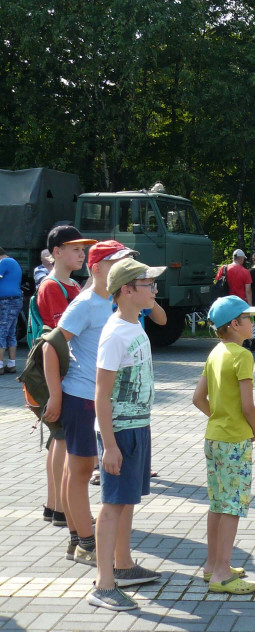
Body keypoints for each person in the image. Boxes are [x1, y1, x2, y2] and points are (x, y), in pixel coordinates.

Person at [46, 241, 138, 566]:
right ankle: (84, 541)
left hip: (101, 400)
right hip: (81, 399)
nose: (125, 269)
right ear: (97, 270)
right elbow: (50, 347)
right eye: (117, 263)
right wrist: (56, 396)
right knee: (81, 469)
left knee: (80, 469)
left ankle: (78, 539)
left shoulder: (117, 302)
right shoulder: (85, 304)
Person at [89, 258, 166, 611]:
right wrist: (109, 445)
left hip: (137, 425)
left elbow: (160, 318)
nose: (154, 289)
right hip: (120, 431)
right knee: (112, 505)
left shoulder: (134, 324)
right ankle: (104, 585)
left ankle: (123, 565)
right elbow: (101, 394)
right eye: (148, 284)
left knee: (127, 501)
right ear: (127, 290)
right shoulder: (116, 333)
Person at [191, 295, 255, 595]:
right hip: (234, 439)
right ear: (235, 325)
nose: (253, 323)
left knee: (218, 503)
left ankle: (212, 565)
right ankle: (222, 572)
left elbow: (198, 398)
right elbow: (248, 405)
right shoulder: (242, 356)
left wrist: (219, 417)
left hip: (214, 436)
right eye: (249, 318)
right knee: (232, 505)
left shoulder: (216, 352)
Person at [38, 226, 97, 527]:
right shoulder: (52, 287)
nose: (81, 253)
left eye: (83, 249)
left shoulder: (71, 285)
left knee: (58, 440)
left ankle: (55, 505)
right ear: (55, 252)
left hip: (64, 374)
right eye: (74, 248)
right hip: (57, 376)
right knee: (61, 440)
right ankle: (61, 508)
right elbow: (62, 338)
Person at [0, 246, 21, 376]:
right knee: (10, 332)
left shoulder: (4, 262)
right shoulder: (13, 261)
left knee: (1, 331)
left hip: (7, 301)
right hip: (15, 300)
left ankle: (0, 365)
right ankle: (11, 364)